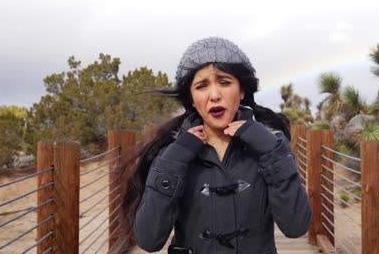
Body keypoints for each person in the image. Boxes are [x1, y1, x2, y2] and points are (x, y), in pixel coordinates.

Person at [113, 37, 312, 254]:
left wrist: (271, 152)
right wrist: (173, 161)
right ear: (191, 98)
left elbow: (296, 227)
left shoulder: (271, 147)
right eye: (202, 86)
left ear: (242, 91)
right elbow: (149, 240)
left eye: (225, 82)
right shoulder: (171, 152)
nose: (214, 95)